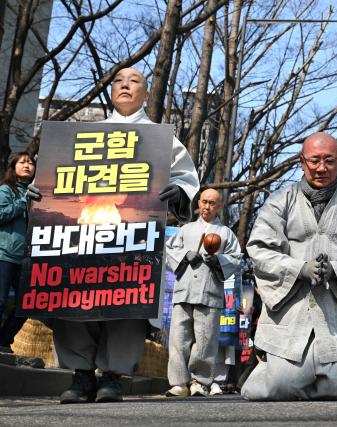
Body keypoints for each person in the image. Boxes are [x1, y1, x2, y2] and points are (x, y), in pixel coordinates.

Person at [29, 67, 199, 404]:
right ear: (110, 92)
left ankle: (112, 376)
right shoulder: (83, 135)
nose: (125, 85)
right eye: (118, 81)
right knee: (74, 295)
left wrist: (178, 192)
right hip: (82, 234)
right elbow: (51, 175)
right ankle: (80, 376)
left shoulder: (161, 140)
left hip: (132, 235)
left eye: (134, 81)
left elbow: (184, 177)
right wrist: (36, 193)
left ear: (146, 93)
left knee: (125, 302)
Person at [241, 132, 337, 400]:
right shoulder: (279, 201)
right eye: (314, 160)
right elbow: (259, 248)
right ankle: (270, 370)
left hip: (334, 307)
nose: (322, 168)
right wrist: (299, 269)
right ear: (301, 161)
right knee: (283, 383)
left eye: (329, 161)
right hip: (291, 305)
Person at [164, 188, 242, 397]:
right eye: (204, 202)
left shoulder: (226, 233)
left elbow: (236, 258)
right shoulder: (186, 229)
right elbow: (170, 249)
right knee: (179, 338)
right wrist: (185, 255)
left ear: (219, 206)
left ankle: (200, 381)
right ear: (198, 203)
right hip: (184, 291)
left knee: (205, 340)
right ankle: (179, 383)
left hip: (210, 293)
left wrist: (218, 260)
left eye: (212, 203)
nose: (207, 206)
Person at [0, 152, 35, 348]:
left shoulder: (37, 193)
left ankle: (4, 340)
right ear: (13, 168)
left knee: (26, 304)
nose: (27, 165)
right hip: (4, 253)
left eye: (30, 163)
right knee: (0, 301)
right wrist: (23, 202)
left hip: (26, 258)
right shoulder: (6, 189)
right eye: (22, 162)